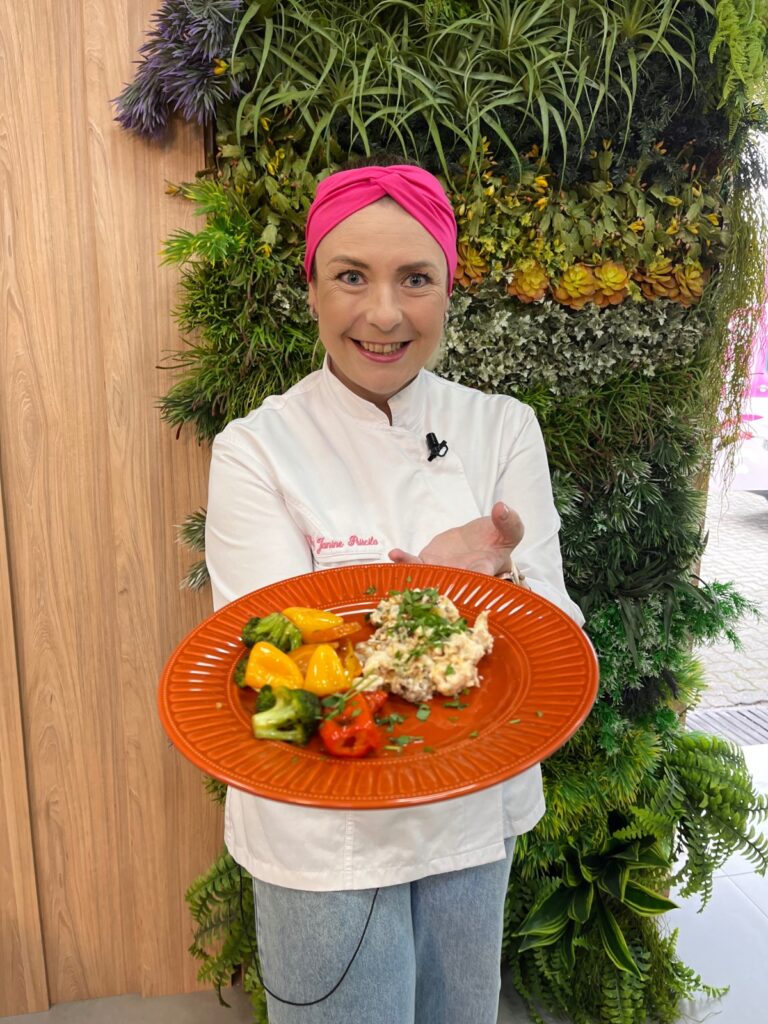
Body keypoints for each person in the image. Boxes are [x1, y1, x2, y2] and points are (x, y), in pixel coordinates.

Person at [205, 164, 584, 1024]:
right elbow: (274, 670)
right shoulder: (256, 449)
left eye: (416, 279)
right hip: (322, 828)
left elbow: (559, 639)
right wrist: (429, 592)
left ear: (450, 289)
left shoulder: (502, 427)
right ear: (310, 287)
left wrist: (504, 585)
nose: (384, 314)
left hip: (471, 808)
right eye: (351, 276)